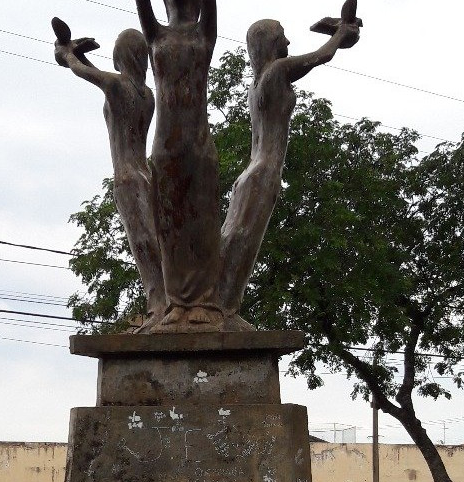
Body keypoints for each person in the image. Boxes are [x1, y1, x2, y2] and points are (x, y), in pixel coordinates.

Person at [218, 13, 361, 326]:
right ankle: (223, 309)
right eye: (282, 36)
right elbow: (322, 55)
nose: (288, 41)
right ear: (270, 43)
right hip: (265, 171)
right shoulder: (278, 71)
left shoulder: (256, 84)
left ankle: (221, 305)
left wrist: (341, 33)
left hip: (252, 171)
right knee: (243, 242)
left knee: (233, 239)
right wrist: (340, 33)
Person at [53, 20, 166, 330]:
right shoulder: (147, 94)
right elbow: (100, 76)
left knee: (143, 244)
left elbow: (84, 72)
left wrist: (68, 54)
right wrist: (75, 55)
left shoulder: (116, 86)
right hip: (147, 175)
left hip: (128, 177)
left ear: (119, 58)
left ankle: (158, 305)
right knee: (154, 241)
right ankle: (164, 302)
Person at [135, 0, 222, 330]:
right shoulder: (155, 34)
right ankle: (177, 301)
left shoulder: (205, 34)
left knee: (203, 223)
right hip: (165, 145)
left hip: (198, 142)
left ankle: (204, 300)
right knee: (169, 227)